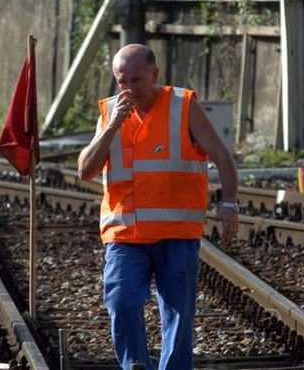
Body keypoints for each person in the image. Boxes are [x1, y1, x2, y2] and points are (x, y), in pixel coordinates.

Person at [77, 43, 239, 370]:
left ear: (154, 74)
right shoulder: (110, 112)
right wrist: (111, 129)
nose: (129, 89)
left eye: (136, 80)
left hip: (176, 232)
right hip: (125, 235)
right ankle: (135, 365)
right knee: (121, 303)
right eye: (122, 82)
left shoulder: (182, 105)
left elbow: (223, 157)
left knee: (178, 311)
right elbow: (85, 171)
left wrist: (230, 204)